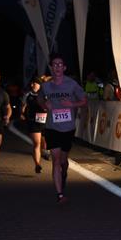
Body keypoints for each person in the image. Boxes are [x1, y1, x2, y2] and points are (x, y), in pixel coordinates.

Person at [39, 54, 87, 204]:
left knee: (63, 161)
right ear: (51, 68)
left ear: (64, 68)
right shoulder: (46, 86)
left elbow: (84, 101)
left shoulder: (72, 84)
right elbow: (39, 98)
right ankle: (60, 194)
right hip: (52, 127)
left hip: (68, 128)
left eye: (60, 64)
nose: (57, 67)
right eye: (55, 64)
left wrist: (72, 104)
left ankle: (64, 173)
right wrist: (44, 104)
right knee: (56, 160)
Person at [20, 78, 48, 173]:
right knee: (37, 143)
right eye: (32, 83)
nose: (33, 85)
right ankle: (37, 165)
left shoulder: (45, 94)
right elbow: (23, 106)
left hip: (44, 121)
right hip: (33, 121)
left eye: (35, 83)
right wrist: (22, 114)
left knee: (44, 142)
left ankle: (45, 151)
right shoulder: (27, 95)